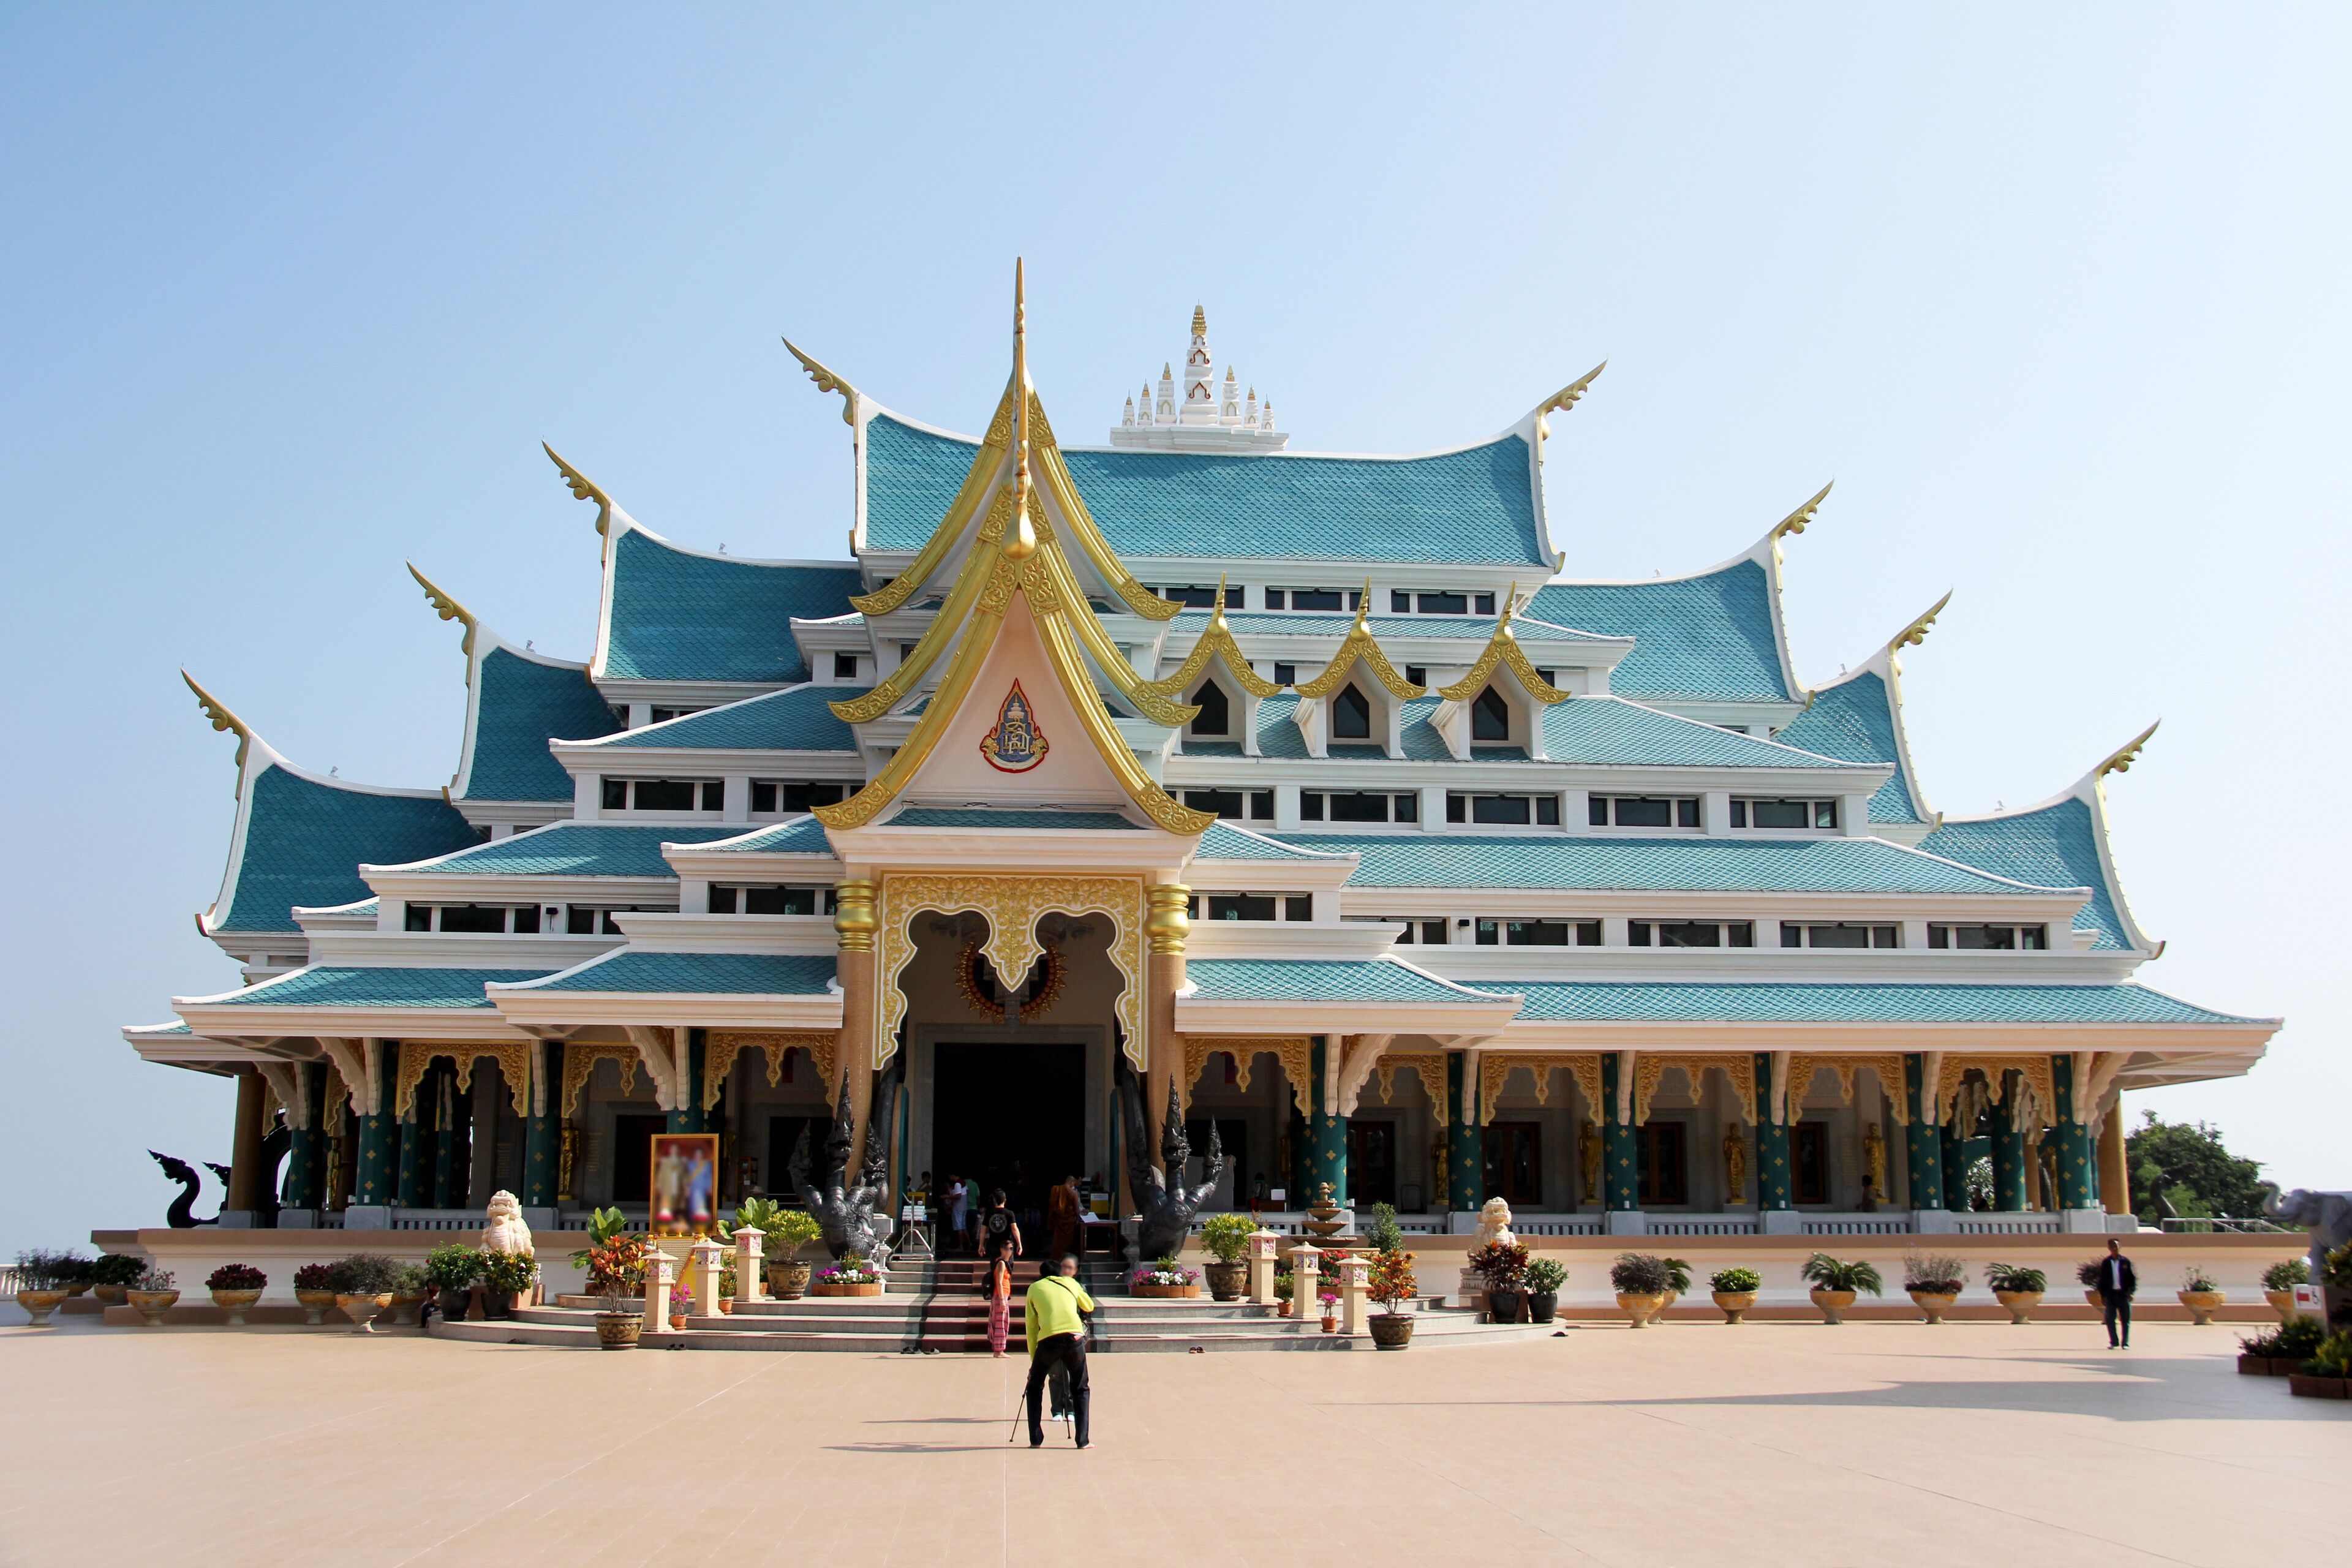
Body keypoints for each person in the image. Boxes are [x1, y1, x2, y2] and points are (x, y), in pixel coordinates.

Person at [1022, 1253, 1094, 1448]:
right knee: (1081, 1388)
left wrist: (1033, 1357)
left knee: (1035, 1387)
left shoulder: (1034, 1288)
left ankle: (1036, 1439)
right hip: (1074, 1339)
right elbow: (1089, 1305)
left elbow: (1031, 1325)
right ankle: (1083, 1440)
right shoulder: (1071, 1283)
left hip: (1048, 1341)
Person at [979, 1186, 1022, 1357]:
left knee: (996, 1272)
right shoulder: (1010, 1213)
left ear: (994, 1201)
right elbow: (1014, 1229)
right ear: (1004, 1200)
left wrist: (981, 1245)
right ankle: (1001, 1294)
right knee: (1004, 1273)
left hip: (994, 1248)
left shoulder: (989, 1213)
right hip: (1005, 1248)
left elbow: (984, 1230)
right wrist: (1019, 1244)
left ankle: (998, 1293)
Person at [2095, 1237, 2138, 1348]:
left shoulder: (2125, 1262)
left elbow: (2131, 1279)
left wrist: (2131, 1292)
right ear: (2109, 1248)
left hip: (2123, 1295)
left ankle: (2125, 1343)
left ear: (2120, 1247)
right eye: (2113, 1246)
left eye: (2117, 1246)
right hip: (2111, 1295)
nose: (2115, 1248)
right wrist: (2103, 1295)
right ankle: (2114, 1342)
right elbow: (2103, 1280)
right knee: (2110, 1319)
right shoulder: (2106, 1263)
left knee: (2126, 1320)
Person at [1047, 1172, 1083, 1261]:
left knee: (1058, 1243)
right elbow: (1077, 1211)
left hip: (1059, 1221)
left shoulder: (1056, 1190)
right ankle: (1067, 1260)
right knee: (1068, 1244)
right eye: (1074, 1184)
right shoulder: (1074, 1194)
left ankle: (1056, 1259)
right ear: (1071, 1182)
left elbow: (1052, 1206)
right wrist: (1079, 1219)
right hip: (1070, 1223)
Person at [946, 1176, 969, 1256]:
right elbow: (966, 1193)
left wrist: (947, 1196)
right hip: (964, 1207)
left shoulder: (958, 1184)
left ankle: (961, 1247)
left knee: (959, 1227)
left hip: (958, 1208)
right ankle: (969, 1243)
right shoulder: (963, 1182)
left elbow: (958, 1196)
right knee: (963, 1226)